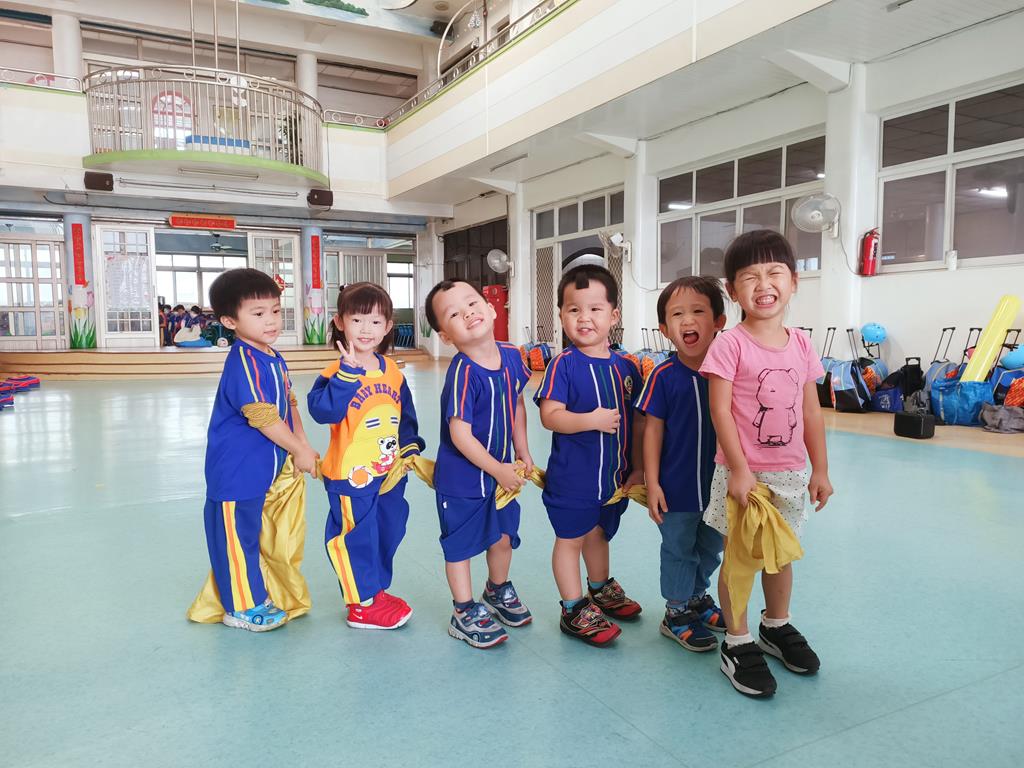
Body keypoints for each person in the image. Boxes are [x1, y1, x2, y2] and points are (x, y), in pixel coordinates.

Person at [700, 230, 833, 697]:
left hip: (791, 473)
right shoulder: (729, 345)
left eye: (774, 272)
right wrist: (739, 469)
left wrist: (820, 469)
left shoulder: (802, 344)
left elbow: (812, 411)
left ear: (793, 282)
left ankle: (775, 625)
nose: (763, 284)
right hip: (743, 475)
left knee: (781, 554)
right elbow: (720, 411)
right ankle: (736, 640)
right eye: (749, 276)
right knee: (740, 559)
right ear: (732, 290)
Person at [193, 268, 319, 631]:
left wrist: (303, 445)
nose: (271, 321)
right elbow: (263, 416)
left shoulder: (272, 356)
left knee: (252, 535)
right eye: (259, 313)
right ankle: (242, 608)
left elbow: (289, 403)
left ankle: (256, 594)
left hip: (262, 469)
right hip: (236, 472)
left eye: (276, 311)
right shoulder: (244, 361)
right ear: (230, 321)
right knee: (236, 540)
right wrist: (297, 449)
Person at [535, 264, 644, 647]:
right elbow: (550, 415)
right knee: (570, 539)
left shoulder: (626, 366)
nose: (584, 318)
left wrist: (638, 468)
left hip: (613, 479)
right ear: (561, 316)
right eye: (574, 309)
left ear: (613, 315)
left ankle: (599, 589)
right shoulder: (563, 364)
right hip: (573, 479)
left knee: (599, 533)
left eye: (595, 309)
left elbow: (639, 421)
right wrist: (590, 420)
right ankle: (573, 607)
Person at [307, 282, 424, 630]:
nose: (366, 329)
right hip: (350, 476)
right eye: (357, 320)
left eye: (375, 321)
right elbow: (322, 411)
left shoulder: (392, 370)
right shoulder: (335, 372)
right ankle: (361, 605)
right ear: (340, 322)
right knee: (355, 537)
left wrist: (409, 447)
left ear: (388, 327)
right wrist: (346, 375)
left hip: (389, 473)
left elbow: (406, 414)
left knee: (388, 529)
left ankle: (375, 591)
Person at [424, 278, 534, 649]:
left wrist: (522, 451)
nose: (468, 313)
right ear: (445, 336)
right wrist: (499, 469)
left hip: (501, 475)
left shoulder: (512, 356)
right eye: (454, 313)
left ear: (490, 309)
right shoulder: (463, 372)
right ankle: (463, 610)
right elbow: (460, 435)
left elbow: (517, 403)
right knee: (461, 546)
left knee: (503, 536)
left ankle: (497, 589)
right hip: (464, 481)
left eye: (472, 303)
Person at [637, 277, 728, 653]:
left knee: (711, 546)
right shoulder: (663, 376)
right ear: (664, 329)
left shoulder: (728, 373)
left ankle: (696, 596)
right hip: (676, 488)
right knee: (678, 547)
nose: (687, 321)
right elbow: (652, 431)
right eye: (677, 315)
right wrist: (652, 482)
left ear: (719, 321)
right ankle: (675, 611)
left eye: (698, 311)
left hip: (719, 486)